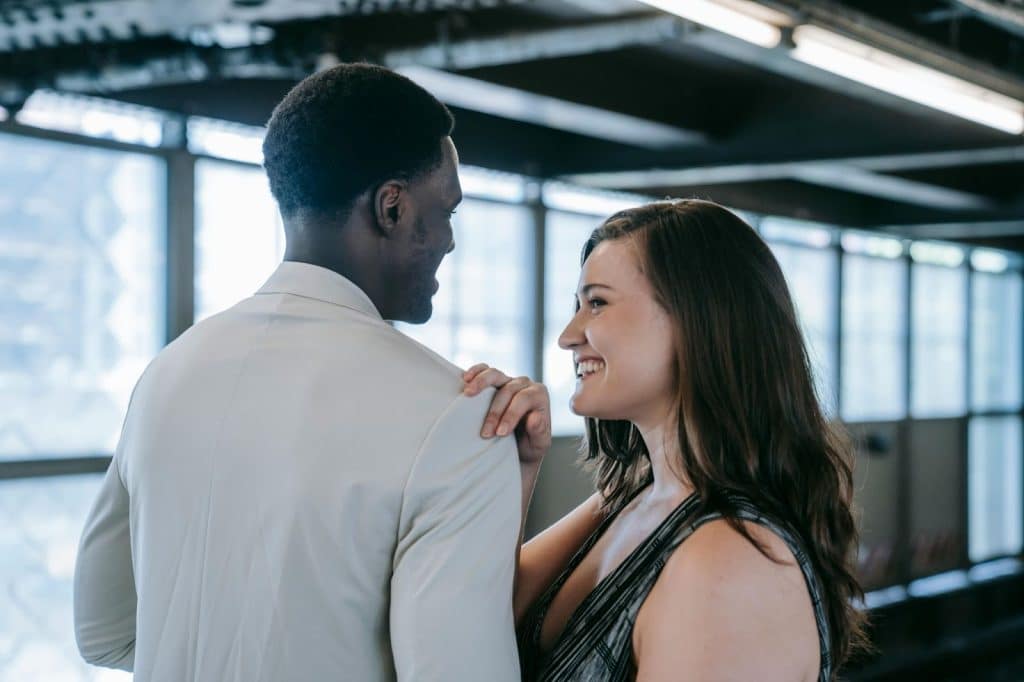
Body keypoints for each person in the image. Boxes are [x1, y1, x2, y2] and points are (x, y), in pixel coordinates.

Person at [73, 63, 523, 682]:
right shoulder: (458, 415)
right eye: (445, 211)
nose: (449, 240)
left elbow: (103, 633)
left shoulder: (167, 374)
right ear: (391, 206)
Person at [465, 199, 869, 681]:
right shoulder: (635, 499)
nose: (569, 336)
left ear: (695, 318)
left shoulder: (728, 563)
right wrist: (515, 471)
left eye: (597, 303)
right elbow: (478, 623)